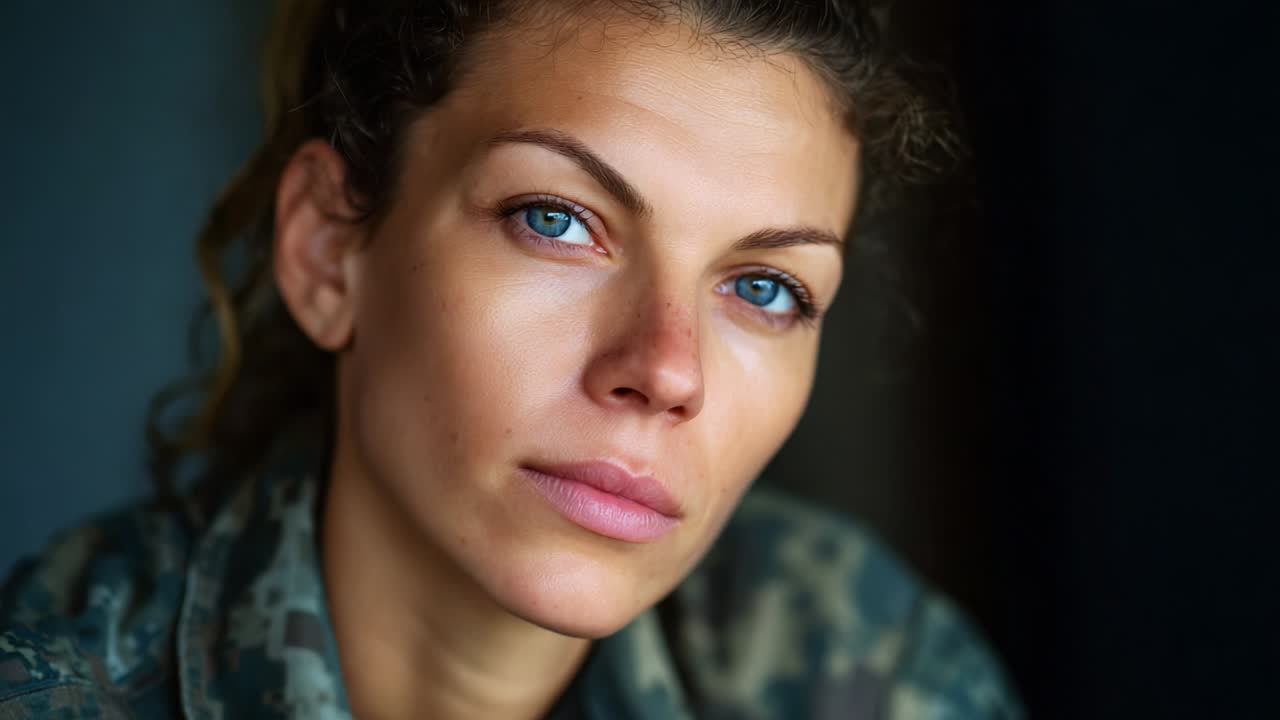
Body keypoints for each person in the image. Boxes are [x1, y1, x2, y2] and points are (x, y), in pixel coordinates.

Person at [0, 1, 1021, 718]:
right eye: (556, 220)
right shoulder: (55, 686)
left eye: (763, 288)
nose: (667, 371)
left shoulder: (859, 660)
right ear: (327, 251)